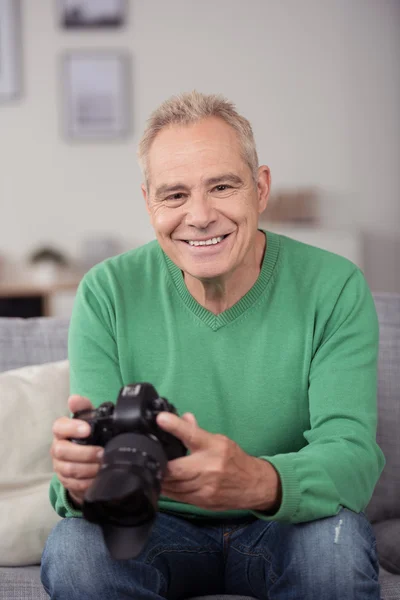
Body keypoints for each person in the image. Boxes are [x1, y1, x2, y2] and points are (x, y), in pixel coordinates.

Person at [41, 91, 385, 600]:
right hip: (151, 524)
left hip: (285, 523)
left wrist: (258, 480)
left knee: (336, 549)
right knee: (74, 552)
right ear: (148, 203)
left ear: (261, 188)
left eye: (222, 186)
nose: (199, 216)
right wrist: (77, 482)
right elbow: (85, 474)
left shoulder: (333, 286)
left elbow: (352, 455)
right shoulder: (107, 290)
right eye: (174, 195)